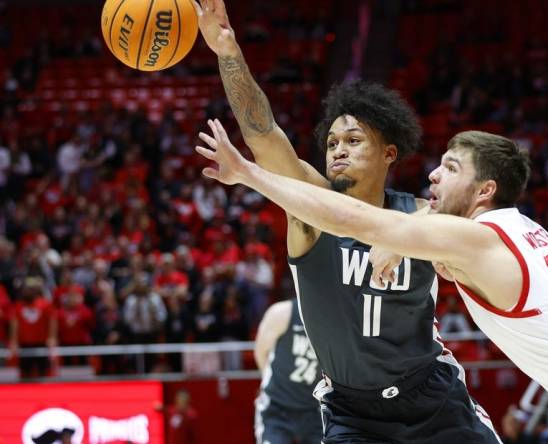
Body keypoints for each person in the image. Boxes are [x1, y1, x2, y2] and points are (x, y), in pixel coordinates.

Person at [195, 122, 548, 443]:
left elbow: (356, 220)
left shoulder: (482, 240)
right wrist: (414, 229)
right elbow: (406, 221)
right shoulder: (500, 232)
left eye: (450, 168)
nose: (432, 175)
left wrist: (250, 175)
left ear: (484, 190)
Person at [194, 2, 500, 442]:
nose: (338, 149)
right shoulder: (310, 209)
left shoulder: (419, 212)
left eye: (354, 140)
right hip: (353, 414)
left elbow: (483, 213)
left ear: (389, 154)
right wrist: (228, 52)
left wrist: (411, 232)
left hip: (433, 398)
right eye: (332, 141)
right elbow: (263, 134)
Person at [253, 298, 321, 444]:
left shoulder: (337, 320)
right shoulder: (282, 313)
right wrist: (269, 381)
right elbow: (260, 351)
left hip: (315, 409)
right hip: (277, 406)